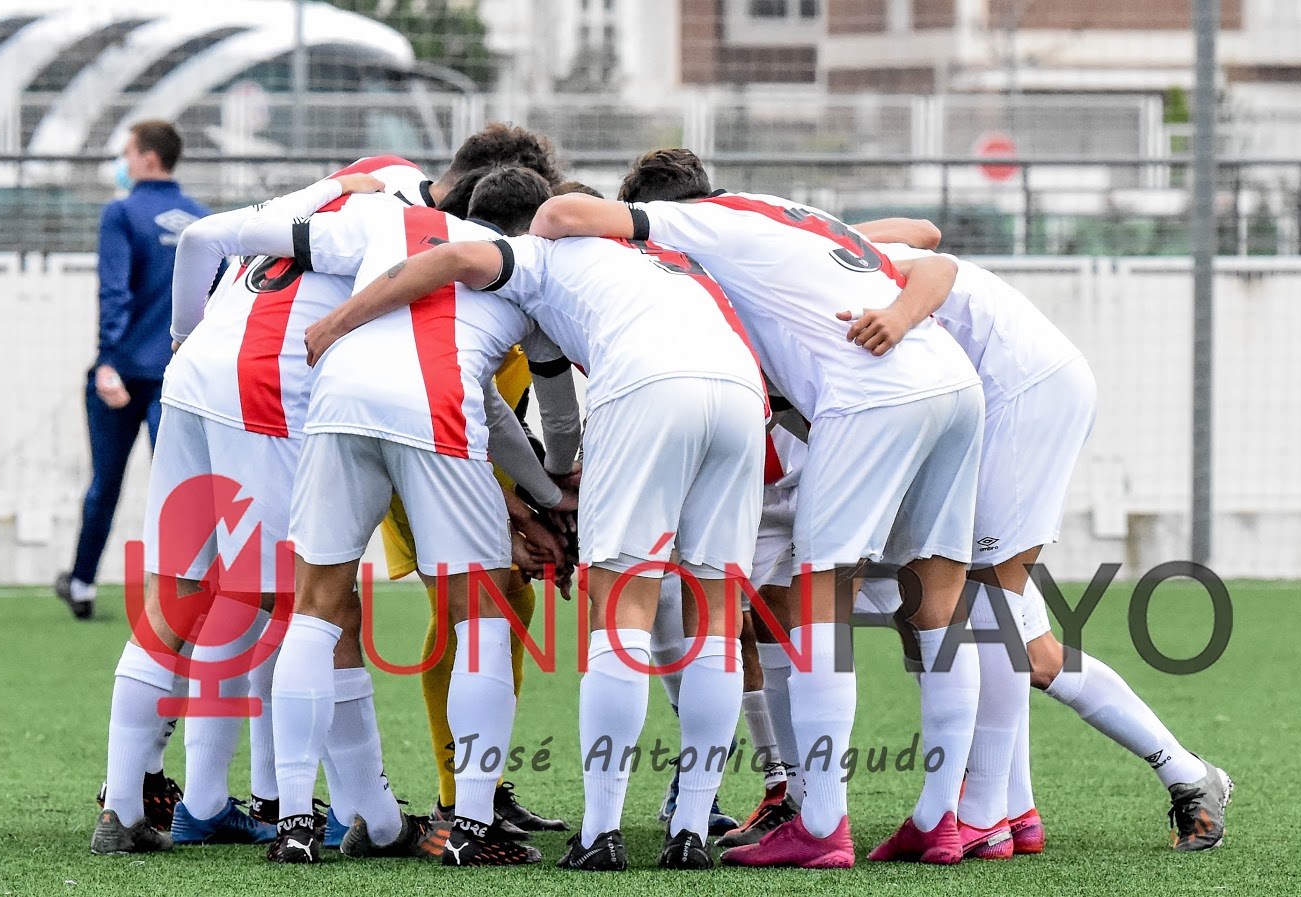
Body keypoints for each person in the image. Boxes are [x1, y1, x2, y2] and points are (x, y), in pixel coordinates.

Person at [532, 149, 984, 869]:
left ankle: (821, 825)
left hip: (871, 394)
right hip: (952, 383)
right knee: (940, 604)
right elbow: (934, 256)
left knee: (818, 600)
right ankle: (942, 819)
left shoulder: (697, 228)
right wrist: (901, 314)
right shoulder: (782, 215)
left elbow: (564, 213)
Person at [306, 171, 769, 870]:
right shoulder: (675, 258)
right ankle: (692, 830)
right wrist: (555, 484)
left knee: (622, 607)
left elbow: (451, 259)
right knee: (715, 616)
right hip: (740, 391)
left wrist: (338, 322)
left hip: (648, 382)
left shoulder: (538, 251)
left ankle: (600, 833)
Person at [849, 225, 1234, 854]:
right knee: (1023, 649)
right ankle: (1121, 787)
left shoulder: (788, 256)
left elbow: (938, 260)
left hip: (1019, 394)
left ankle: (986, 814)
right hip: (995, 402)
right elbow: (924, 230)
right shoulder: (808, 239)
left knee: (977, 609)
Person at [266, 169, 574, 866]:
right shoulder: (531, 264)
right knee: (482, 614)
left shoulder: (394, 228)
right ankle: (470, 825)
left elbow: (488, 407)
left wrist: (539, 495)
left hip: (338, 399)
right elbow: (551, 413)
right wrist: (558, 486)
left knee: (314, 610)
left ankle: (294, 823)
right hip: (434, 412)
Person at [89, 169, 395, 856]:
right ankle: (355, 813)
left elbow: (199, 237)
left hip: (192, 376)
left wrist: (182, 337)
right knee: (308, 602)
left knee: (183, 592)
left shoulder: (292, 211)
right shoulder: (389, 223)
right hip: (265, 388)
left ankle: (128, 805)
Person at [57, 120, 210, 621]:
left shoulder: (121, 213)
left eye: (127, 154)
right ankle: (188, 593)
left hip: (123, 372)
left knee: (105, 483)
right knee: (182, 487)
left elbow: (114, 290)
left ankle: (82, 583)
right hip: (180, 375)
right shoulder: (204, 220)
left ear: (148, 158)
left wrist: (107, 359)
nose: (124, 164)